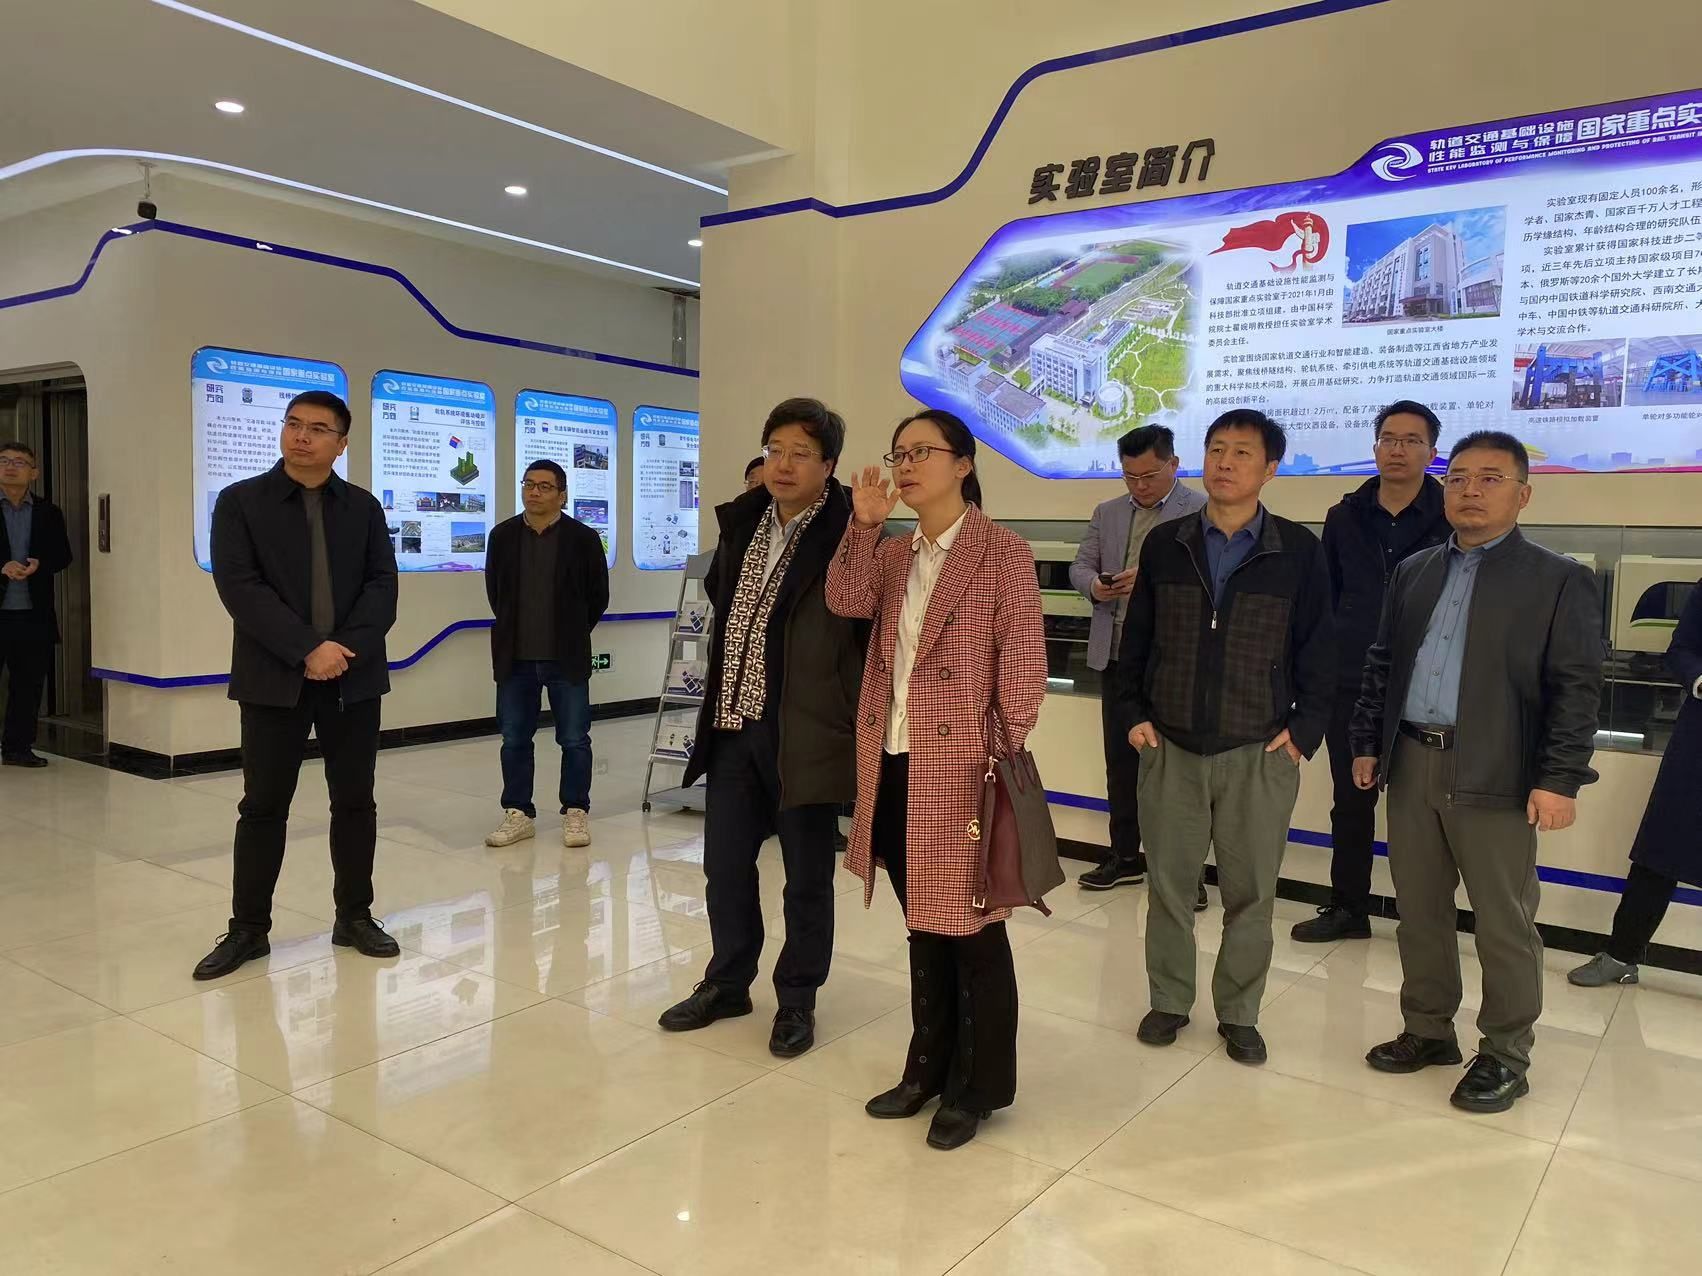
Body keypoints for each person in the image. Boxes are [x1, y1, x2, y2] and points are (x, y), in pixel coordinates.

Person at [1354, 430, 1602, 1114]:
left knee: (1503, 921)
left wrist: (1560, 778)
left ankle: (1505, 1054)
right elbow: (1382, 664)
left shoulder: (1558, 579)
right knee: (1419, 911)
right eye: (1458, 477)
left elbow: (1577, 689)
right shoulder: (1415, 571)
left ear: (1523, 494)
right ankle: (1428, 1028)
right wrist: (1368, 742)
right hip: (1411, 760)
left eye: (1491, 478)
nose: (1470, 490)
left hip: (1497, 769)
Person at [827, 408, 1047, 1151]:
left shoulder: (1003, 552)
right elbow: (844, 599)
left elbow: (1024, 669)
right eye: (899, 454)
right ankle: (926, 1068)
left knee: (974, 932)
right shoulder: (894, 553)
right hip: (893, 763)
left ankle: (977, 1087)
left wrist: (992, 755)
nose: (907, 465)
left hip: (963, 773)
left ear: (963, 463)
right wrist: (862, 526)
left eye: (922, 451)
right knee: (924, 925)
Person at [1115, 408, 1333, 1066]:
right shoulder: (1167, 543)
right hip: (1171, 747)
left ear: (1270, 469)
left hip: (1259, 751)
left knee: (1251, 893)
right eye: (1216, 449)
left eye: (1242, 452)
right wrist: (1133, 713)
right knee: (1169, 887)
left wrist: (1303, 732)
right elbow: (1137, 640)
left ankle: (1239, 1012)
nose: (1226, 462)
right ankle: (1169, 999)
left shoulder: (1298, 551)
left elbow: (1321, 651)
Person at [659, 398, 864, 1059]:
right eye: (775, 449)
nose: (783, 464)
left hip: (802, 732)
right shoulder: (745, 520)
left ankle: (797, 998)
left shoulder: (847, 532)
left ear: (829, 465)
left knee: (806, 876)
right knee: (724, 865)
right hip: (732, 724)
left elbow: (859, 626)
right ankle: (728, 982)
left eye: (801, 453)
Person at [193, 391, 401, 981]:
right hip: (273, 677)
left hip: (352, 677)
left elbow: (382, 586)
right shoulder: (241, 502)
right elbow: (240, 587)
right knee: (262, 806)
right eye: (293, 424)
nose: (301, 436)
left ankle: (354, 916)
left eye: (317, 428)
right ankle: (248, 930)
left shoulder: (363, 508)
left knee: (354, 802)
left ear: (341, 442)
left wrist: (341, 650)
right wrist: (308, 648)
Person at [1293, 401, 1450, 943]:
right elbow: (1327, 598)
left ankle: (1426, 917)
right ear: (1375, 446)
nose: (1397, 449)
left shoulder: (1451, 515)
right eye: (1389, 438)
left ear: (1432, 452)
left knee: (1426, 805)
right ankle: (1348, 907)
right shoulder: (1344, 515)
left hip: (1427, 681)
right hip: (1353, 680)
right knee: (1351, 801)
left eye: (1411, 440)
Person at [1069, 425, 1206, 892]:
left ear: (1174, 464)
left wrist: (1147, 577)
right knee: (1121, 763)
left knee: (1179, 771)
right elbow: (1080, 566)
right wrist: (1095, 585)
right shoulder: (1107, 512)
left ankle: (1185, 872)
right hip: (1117, 655)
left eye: (1149, 475)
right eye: (1130, 476)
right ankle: (1125, 856)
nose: (1140, 485)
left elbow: (1208, 579)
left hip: (1175, 659)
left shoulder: (1201, 510)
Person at [1569, 580, 1702, 987]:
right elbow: (1681, 651)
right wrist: (1700, 679)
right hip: (1698, 745)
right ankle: (1621, 955)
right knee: (1660, 851)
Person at [483, 459, 610, 850]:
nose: (534, 492)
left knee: (574, 739)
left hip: (565, 657)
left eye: (544, 486)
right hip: (515, 658)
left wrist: (571, 632)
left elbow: (598, 597)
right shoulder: (502, 536)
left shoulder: (583, 538)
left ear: (562, 495)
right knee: (514, 738)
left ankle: (575, 810)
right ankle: (518, 812)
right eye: (529, 484)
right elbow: (495, 593)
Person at [0, 440, 73, 768]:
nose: (10, 467)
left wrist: (40, 564)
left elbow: (63, 556)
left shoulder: (48, 512)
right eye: (4, 460)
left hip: (34, 614)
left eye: (19, 462)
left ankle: (17, 748)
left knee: (27, 686)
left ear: (34, 473)